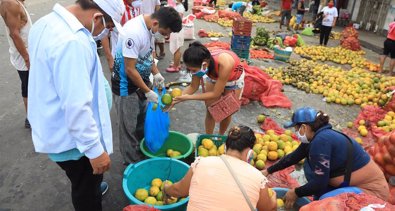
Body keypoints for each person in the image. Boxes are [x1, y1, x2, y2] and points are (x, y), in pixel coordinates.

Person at [27, 0, 125, 210]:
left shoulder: (45, 23)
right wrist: (94, 151)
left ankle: (91, 187)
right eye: (106, 28)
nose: (103, 35)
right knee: (86, 190)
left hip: (60, 127)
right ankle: (89, 195)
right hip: (76, 142)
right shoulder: (72, 42)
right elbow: (76, 105)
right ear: (97, 17)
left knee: (84, 181)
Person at [262, 107, 389, 209]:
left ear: (304, 127)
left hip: (370, 192)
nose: (296, 132)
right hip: (349, 181)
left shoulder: (321, 141)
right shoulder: (317, 137)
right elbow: (293, 157)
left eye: (296, 129)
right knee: (313, 180)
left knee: (324, 204)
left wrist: (296, 192)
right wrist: (268, 171)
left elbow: (319, 183)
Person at [111, 7, 182, 165]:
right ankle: (132, 163)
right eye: (165, 33)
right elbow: (129, 69)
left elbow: (147, 53)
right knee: (128, 128)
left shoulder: (149, 27)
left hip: (141, 81)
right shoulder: (134, 32)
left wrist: (156, 73)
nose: (166, 36)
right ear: (156, 23)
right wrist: (148, 91)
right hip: (125, 86)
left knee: (142, 121)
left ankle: (141, 151)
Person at [164, 125, 277, 211]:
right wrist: (273, 198)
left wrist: (166, 188)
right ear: (250, 154)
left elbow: (178, 190)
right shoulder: (258, 178)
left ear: (225, 147)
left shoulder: (201, 163)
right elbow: (268, 209)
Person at [169, 42, 245, 135]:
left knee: (227, 111)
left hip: (233, 80)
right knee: (210, 109)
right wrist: (175, 99)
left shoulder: (225, 63)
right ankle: (208, 137)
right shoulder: (197, 63)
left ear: (204, 65)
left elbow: (216, 94)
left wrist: (187, 97)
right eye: (190, 70)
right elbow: (193, 86)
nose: (192, 72)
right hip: (214, 76)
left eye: (193, 70)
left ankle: (220, 136)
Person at [0, 0, 32, 128]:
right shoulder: (10, 4)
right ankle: (31, 119)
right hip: (24, 54)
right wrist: (27, 58)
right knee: (29, 86)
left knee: (31, 85)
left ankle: (33, 117)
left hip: (26, 52)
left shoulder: (15, 2)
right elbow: (14, 34)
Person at [102, 0, 141, 70]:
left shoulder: (136, 6)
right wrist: (109, 58)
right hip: (119, 56)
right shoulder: (117, 8)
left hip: (135, 55)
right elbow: (104, 34)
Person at [166, 0, 185, 73]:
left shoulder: (180, 7)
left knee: (176, 49)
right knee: (176, 48)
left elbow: (177, 19)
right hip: (176, 29)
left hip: (177, 30)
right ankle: (177, 63)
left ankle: (175, 66)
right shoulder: (178, 6)